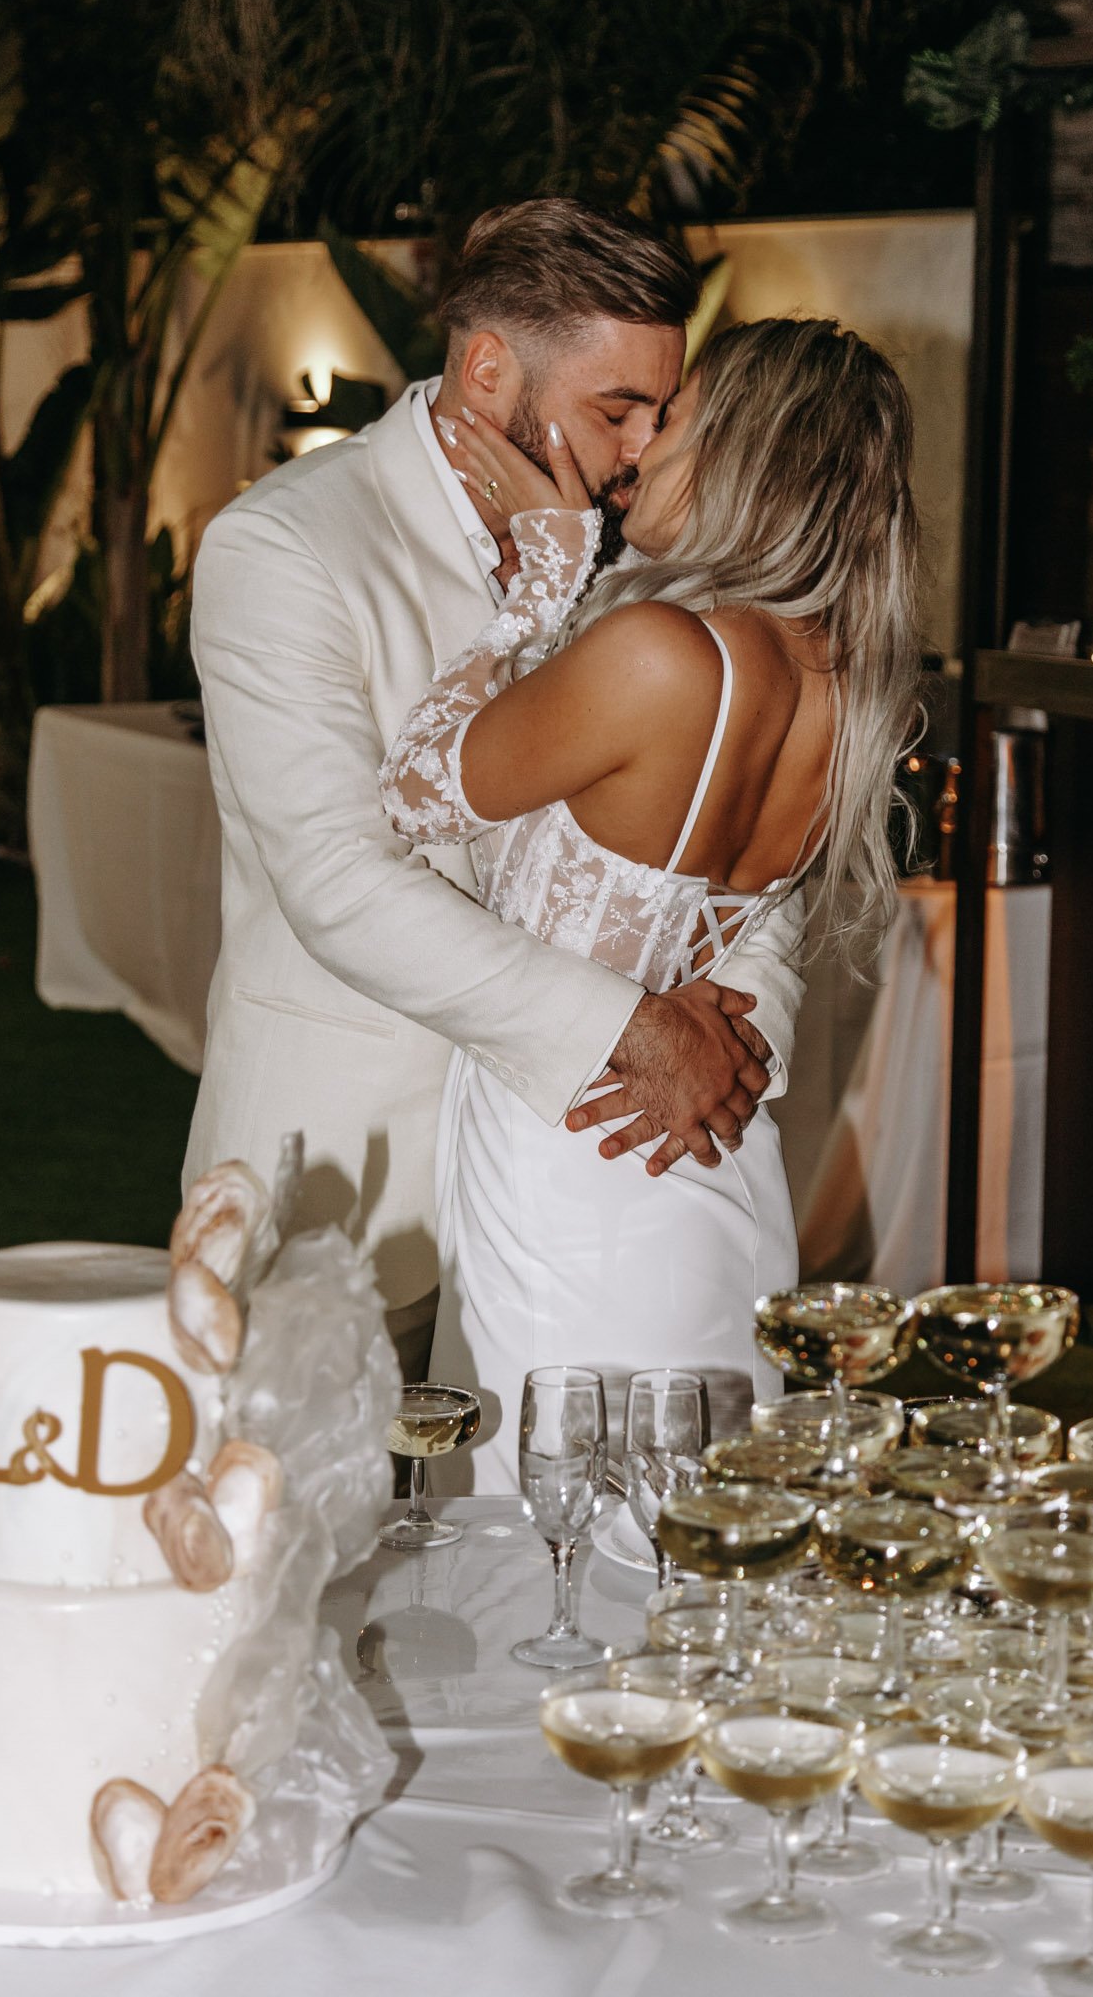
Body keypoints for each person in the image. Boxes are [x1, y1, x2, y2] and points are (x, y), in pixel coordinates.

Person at [184, 200, 809, 1380]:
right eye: (614, 409)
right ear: (486, 371)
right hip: (354, 1181)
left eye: (657, 414)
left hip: (582, 1173)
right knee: (323, 1549)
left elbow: (741, 829)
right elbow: (337, 883)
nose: (641, 449)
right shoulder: (285, 546)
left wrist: (736, 1029)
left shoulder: (646, 554)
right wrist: (627, 1029)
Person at [381, 315, 922, 1490]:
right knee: (700, 1525)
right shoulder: (843, 684)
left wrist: (541, 573)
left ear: (739, 450)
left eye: (671, 418)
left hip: (571, 1151)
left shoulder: (657, 654)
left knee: (564, 1534)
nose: (639, 446)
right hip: (712, 1161)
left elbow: (419, 788)